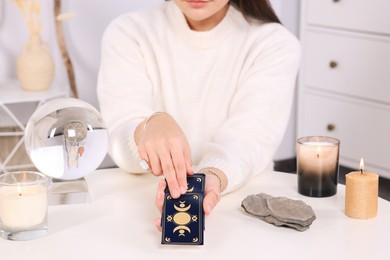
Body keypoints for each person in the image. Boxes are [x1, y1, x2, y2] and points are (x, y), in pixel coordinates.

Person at [97, 0, 300, 227]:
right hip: (135, 207)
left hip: (240, 206)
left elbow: (249, 140)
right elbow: (119, 143)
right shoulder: (129, 32)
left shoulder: (273, 43)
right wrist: (145, 128)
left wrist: (213, 175)